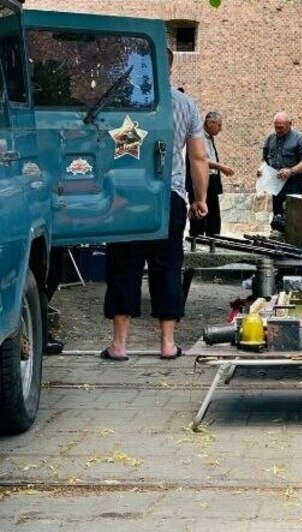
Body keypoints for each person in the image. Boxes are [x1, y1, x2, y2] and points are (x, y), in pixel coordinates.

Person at [101, 49, 209, 361]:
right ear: (170, 68)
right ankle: (167, 345)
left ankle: (120, 346)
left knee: (123, 265)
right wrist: (199, 199)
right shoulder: (186, 104)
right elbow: (198, 157)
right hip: (170, 195)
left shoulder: (130, 102)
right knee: (167, 267)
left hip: (130, 195)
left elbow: (123, 153)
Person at [186, 111, 235, 237]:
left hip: (212, 180)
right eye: (218, 125)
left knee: (214, 216)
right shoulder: (198, 136)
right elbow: (200, 159)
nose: (221, 129)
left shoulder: (209, 137)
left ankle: (213, 240)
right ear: (209, 123)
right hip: (200, 180)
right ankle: (196, 242)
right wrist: (221, 166)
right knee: (200, 215)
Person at [257, 112, 302, 218]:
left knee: (294, 216)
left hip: (294, 185)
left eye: (281, 128)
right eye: (276, 127)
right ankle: (277, 232)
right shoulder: (270, 139)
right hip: (276, 184)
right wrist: (261, 169)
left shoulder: (300, 139)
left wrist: (290, 171)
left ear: (290, 124)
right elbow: (265, 160)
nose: (278, 130)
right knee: (277, 215)